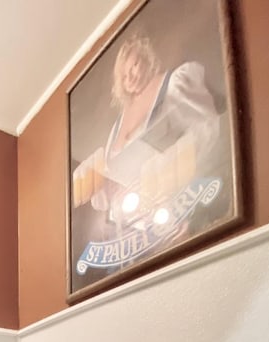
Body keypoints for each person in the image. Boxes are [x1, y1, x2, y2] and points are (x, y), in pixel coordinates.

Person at [73, 33, 221, 235]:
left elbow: (208, 129)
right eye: (124, 76)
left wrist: (178, 154)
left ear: (147, 59)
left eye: (134, 65)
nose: (130, 77)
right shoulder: (116, 128)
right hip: (143, 232)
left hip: (189, 208)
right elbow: (114, 195)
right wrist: (98, 182)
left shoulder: (175, 83)